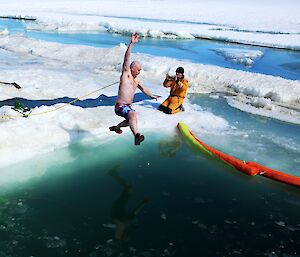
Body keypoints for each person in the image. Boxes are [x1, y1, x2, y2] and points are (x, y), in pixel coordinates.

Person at [109, 32, 159, 145]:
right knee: (133, 115)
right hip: (120, 106)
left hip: (128, 106)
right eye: (138, 70)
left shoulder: (136, 81)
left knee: (130, 120)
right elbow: (126, 59)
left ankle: (116, 128)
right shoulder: (126, 75)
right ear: (132, 69)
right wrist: (131, 43)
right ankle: (137, 136)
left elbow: (144, 89)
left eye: (140, 70)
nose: (140, 72)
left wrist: (152, 95)